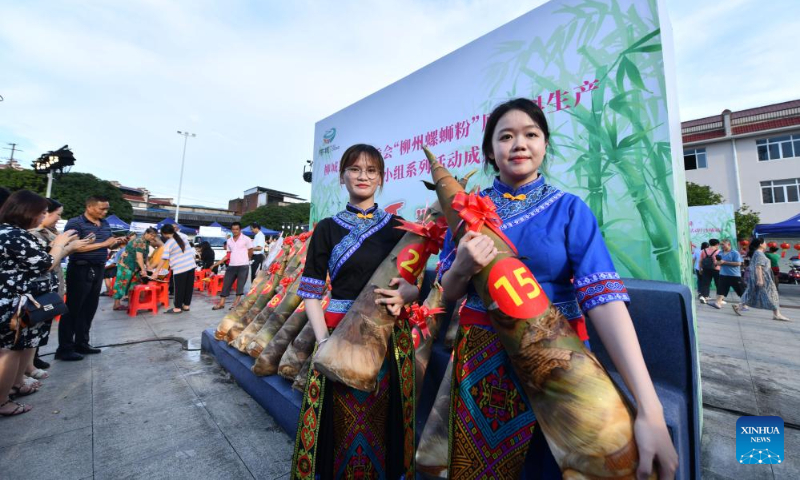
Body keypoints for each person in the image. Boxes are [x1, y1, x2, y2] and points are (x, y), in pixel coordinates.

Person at [437, 98, 677, 478]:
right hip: (483, 365)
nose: (519, 144)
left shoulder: (570, 209)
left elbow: (604, 301)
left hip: (557, 361)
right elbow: (447, 291)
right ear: (489, 151)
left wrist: (650, 407)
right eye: (506, 136)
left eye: (531, 134)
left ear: (544, 145)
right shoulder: (469, 211)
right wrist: (463, 268)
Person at [290, 144, 419, 478]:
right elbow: (311, 292)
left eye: (371, 170)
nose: (363, 176)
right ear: (343, 175)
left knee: (386, 416)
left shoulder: (400, 228)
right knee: (344, 419)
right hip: (339, 332)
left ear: (381, 178)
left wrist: (410, 292)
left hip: (387, 334)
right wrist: (322, 342)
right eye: (356, 169)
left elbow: (414, 287)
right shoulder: (327, 229)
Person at [0, 190, 89, 416]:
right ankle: (3, 401)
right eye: (41, 212)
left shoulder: (13, 233)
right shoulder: (13, 236)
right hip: (14, 303)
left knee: (17, 348)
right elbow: (46, 263)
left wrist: (65, 246)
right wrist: (60, 244)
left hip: (19, 301)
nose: (44, 217)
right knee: (10, 350)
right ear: (26, 212)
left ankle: (15, 384)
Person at [56, 195, 125, 361]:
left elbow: (108, 244)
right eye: (102, 208)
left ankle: (82, 342)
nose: (105, 211)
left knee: (89, 308)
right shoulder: (76, 223)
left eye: (107, 208)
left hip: (98, 267)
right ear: (89, 207)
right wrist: (103, 244)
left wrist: (116, 243)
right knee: (73, 308)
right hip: (80, 268)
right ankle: (65, 347)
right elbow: (71, 248)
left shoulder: (105, 223)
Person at [28, 198, 67, 374]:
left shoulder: (50, 232)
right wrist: (65, 247)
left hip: (50, 283)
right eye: (56, 214)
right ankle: (27, 366)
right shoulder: (33, 234)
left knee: (42, 324)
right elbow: (46, 263)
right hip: (37, 287)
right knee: (31, 326)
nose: (58, 218)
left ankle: (33, 359)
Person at [733, 238, 791, 321]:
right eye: (765, 242)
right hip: (764, 277)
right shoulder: (759, 254)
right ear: (760, 244)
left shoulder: (757, 253)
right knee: (772, 294)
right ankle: (777, 314)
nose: (766, 244)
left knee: (752, 292)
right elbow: (758, 267)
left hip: (757, 277)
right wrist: (760, 279)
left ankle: (739, 306)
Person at [111, 229, 158, 311]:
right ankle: (116, 304)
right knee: (121, 284)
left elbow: (145, 256)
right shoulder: (139, 241)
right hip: (126, 265)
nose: (152, 237)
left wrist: (148, 265)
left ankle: (131, 303)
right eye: (151, 235)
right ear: (146, 233)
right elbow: (139, 257)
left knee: (133, 284)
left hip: (134, 267)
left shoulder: (146, 242)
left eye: (154, 236)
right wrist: (143, 270)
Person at [154, 224, 196, 314]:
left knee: (179, 289)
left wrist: (156, 271)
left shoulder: (168, 243)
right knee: (188, 287)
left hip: (180, 268)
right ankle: (186, 306)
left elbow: (164, 259)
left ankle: (177, 308)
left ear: (164, 234)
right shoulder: (183, 236)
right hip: (191, 265)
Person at [212, 222, 252, 310]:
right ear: (231, 230)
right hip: (232, 265)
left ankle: (235, 303)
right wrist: (216, 264)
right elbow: (228, 254)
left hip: (243, 265)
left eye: (237, 229)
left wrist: (247, 259)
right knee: (226, 284)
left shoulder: (246, 239)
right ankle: (221, 303)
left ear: (240, 230)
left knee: (240, 285)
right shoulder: (229, 241)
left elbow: (250, 250)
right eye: (233, 229)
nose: (235, 231)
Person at [711, 239, 745, 309]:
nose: (721, 246)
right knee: (721, 290)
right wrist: (717, 263)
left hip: (734, 275)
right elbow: (718, 262)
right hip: (723, 274)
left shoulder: (735, 253)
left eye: (723, 244)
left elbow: (738, 263)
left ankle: (744, 305)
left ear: (728, 244)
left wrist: (724, 262)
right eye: (721, 245)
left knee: (741, 290)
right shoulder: (720, 253)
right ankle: (718, 303)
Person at [698, 238, 721, 304]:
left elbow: (700, 261)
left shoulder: (704, 250)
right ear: (717, 244)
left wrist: (700, 269)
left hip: (706, 269)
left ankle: (704, 297)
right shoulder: (718, 251)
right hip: (716, 269)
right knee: (718, 284)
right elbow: (720, 261)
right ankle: (719, 299)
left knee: (705, 283)